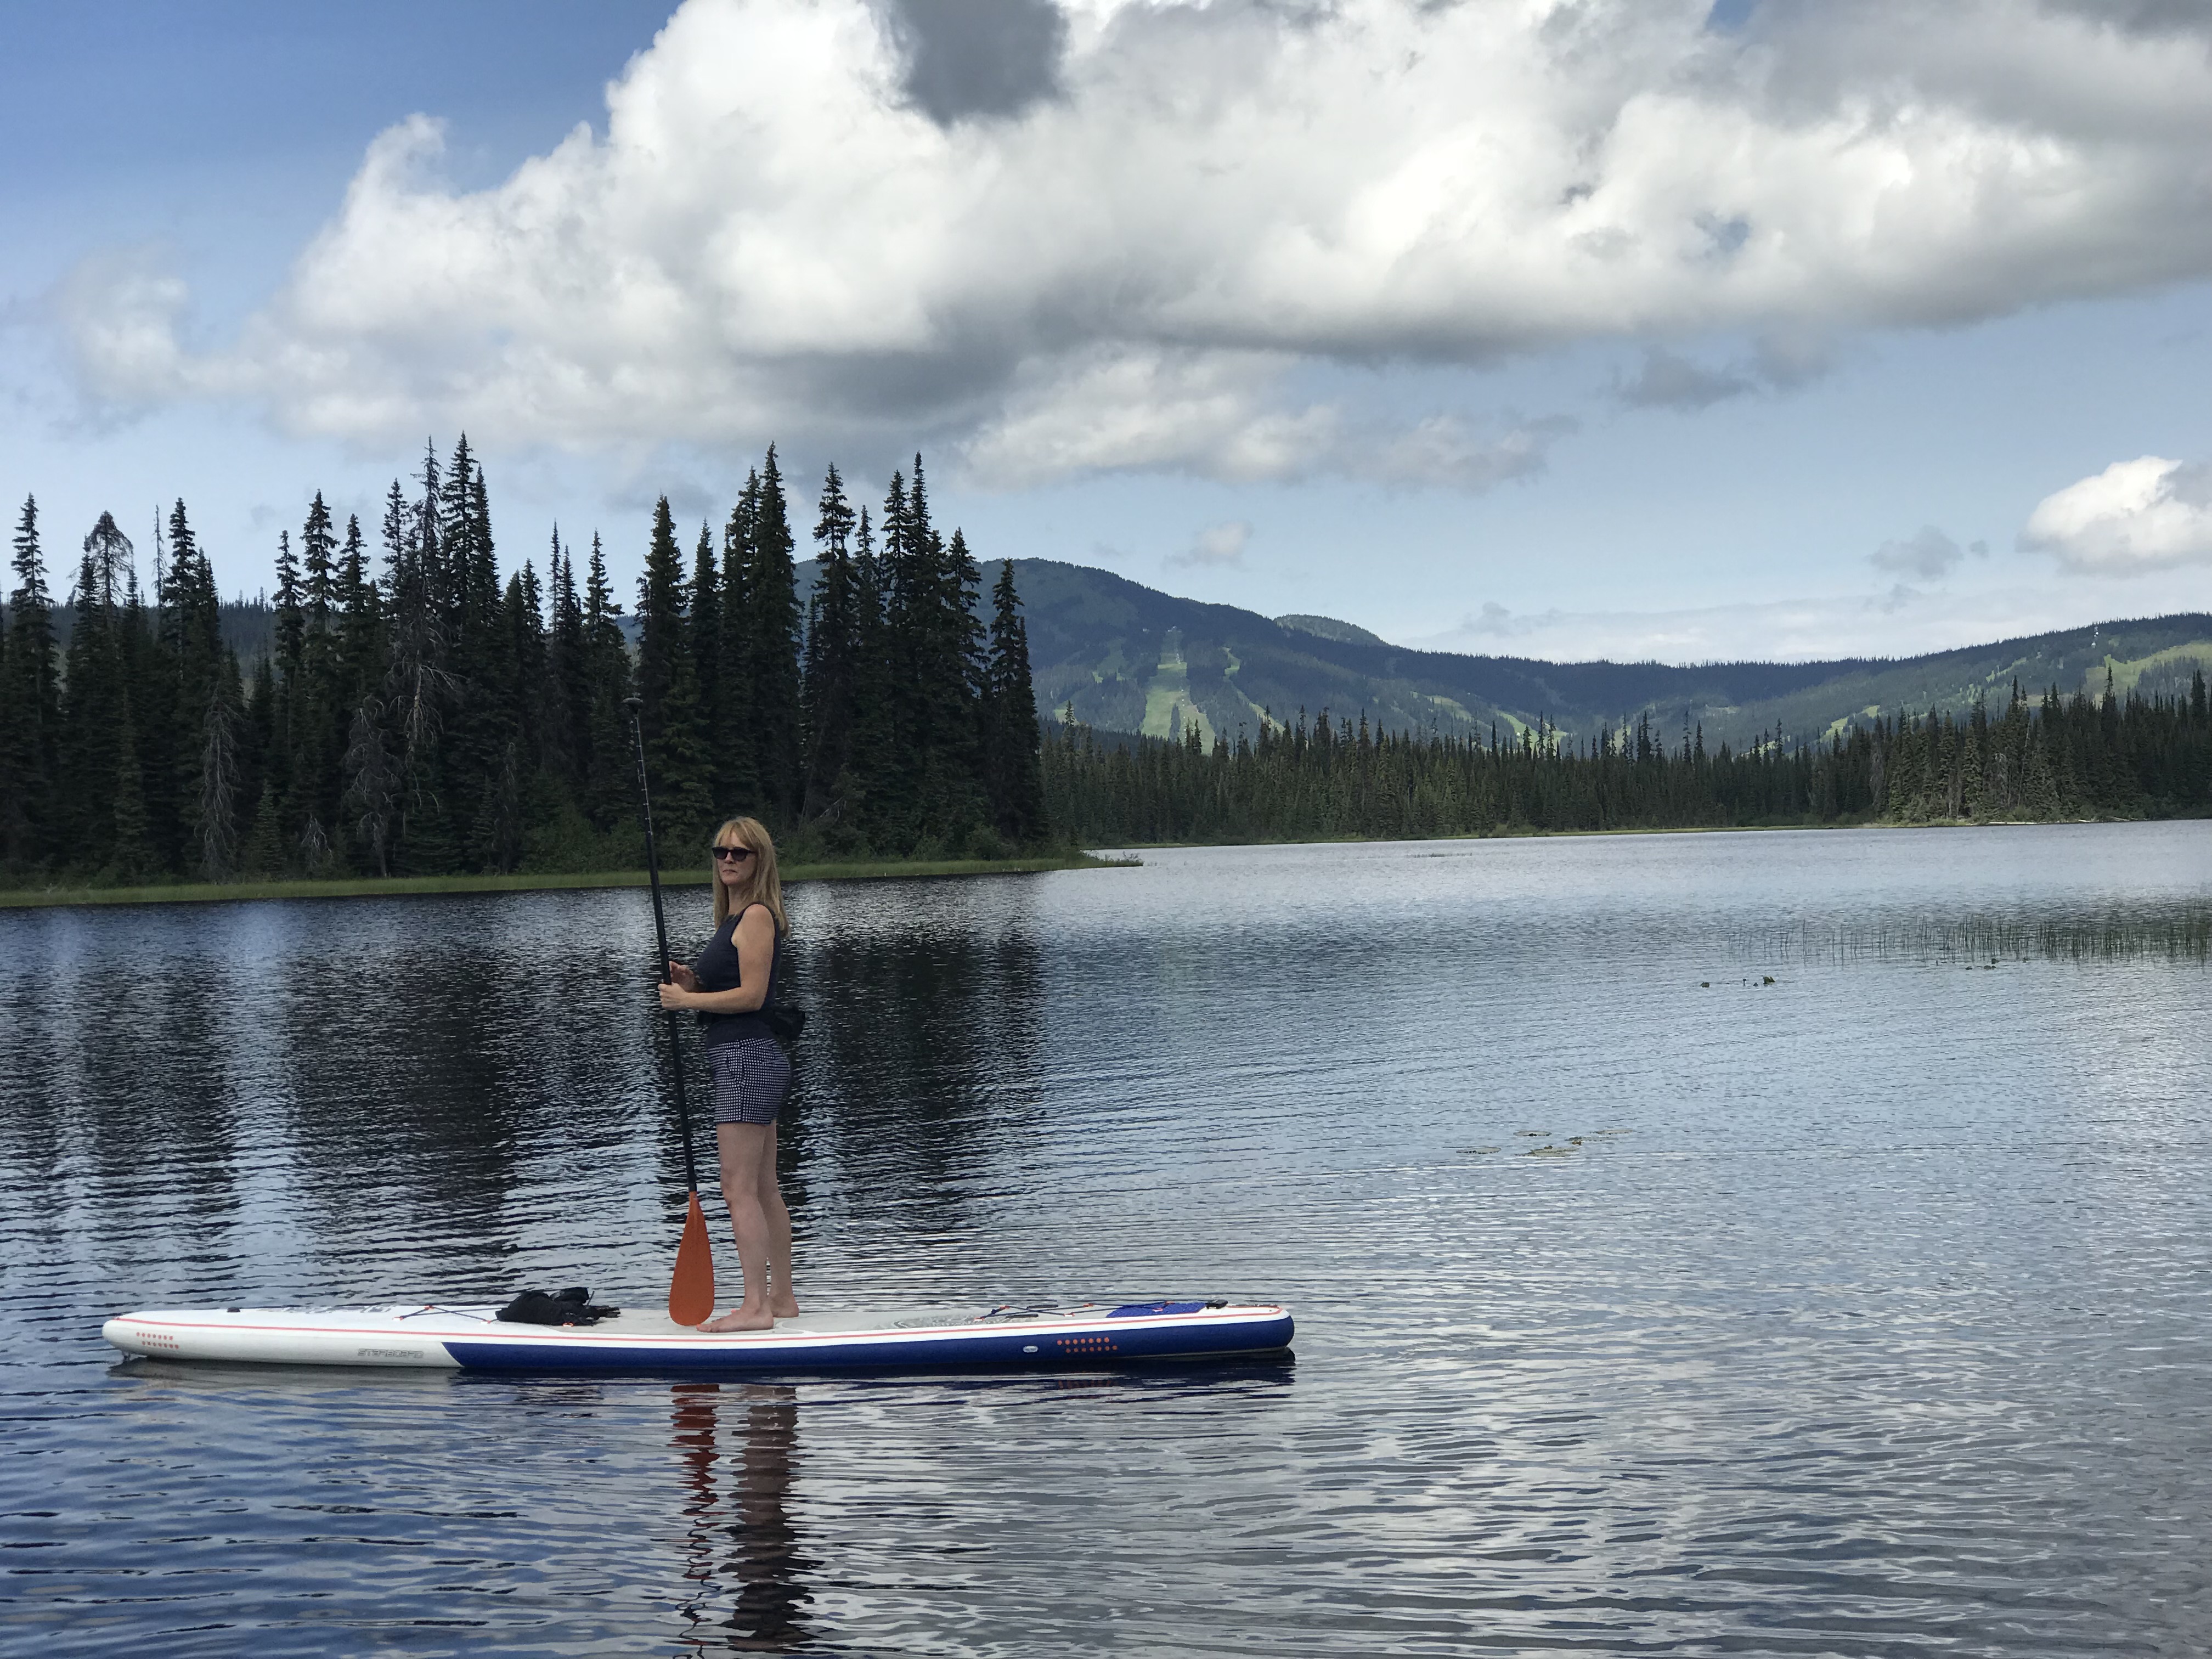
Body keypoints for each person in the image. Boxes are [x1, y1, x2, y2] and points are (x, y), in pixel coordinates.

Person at [659, 816, 798, 1332]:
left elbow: (753, 997)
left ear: (760, 860)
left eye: (741, 853)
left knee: (737, 1187)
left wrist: (685, 1001)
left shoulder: (757, 916)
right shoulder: (733, 920)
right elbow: (733, 987)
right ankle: (780, 1300)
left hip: (745, 1058)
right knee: (763, 1188)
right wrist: (694, 982)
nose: (729, 860)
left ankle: (756, 1308)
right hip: (749, 1057)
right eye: (722, 852)